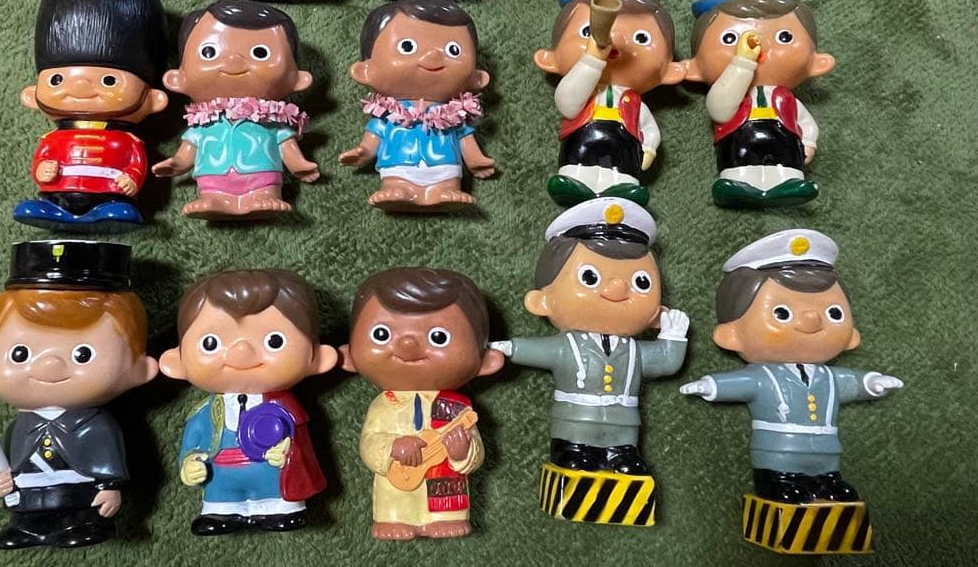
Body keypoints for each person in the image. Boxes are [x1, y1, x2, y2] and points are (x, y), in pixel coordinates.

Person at [681, 229, 903, 504]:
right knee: (783, 484)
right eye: (782, 313)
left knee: (836, 489)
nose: (812, 320)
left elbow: (852, 383)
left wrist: (872, 383)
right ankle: (778, 480)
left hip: (826, 451)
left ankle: (826, 481)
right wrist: (710, 385)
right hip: (778, 452)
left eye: (834, 313)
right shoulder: (763, 376)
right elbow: (742, 383)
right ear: (731, 334)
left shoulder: (829, 377)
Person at [0, 240, 158, 549]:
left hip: (78, 494)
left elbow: (107, 458)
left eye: (83, 354)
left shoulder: (95, 425)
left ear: (139, 368)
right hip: (29, 495)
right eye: (20, 353)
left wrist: (109, 487)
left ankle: (83, 524)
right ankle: (27, 527)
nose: (50, 365)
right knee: (26, 517)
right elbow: (8, 464)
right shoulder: (20, 427)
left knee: (82, 518)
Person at [491, 198, 688, 481]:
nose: (617, 288)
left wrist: (673, 337)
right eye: (590, 277)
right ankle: (571, 450)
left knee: (626, 463)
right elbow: (537, 350)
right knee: (574, 459)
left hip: (623, 428)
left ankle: (620, 454)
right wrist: (507, 347)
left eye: (641, 282)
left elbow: (665, 362)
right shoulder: (566, 347)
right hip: (575, 424)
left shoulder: (634, 351)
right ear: (541, 301)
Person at [159, 269, 337, 536]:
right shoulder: (206, 413)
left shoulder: (288, 412)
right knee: (219, 500)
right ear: (177, 362)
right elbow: (192, 442)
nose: (241, 352)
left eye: (274, 341)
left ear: (317, 357)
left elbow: (299, 444)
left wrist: (287, 454)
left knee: (277, 498)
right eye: (210, 343)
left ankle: (278, 508)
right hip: (221, 478)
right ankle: (221, 511)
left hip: (271, 476)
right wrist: (189, 463)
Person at [341, 268, 503, 540]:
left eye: (438, 337)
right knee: (394, 496)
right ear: (350, 356)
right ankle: (393, 518)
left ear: (486, 360)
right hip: (395, 488)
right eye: (382, 334)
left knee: (446, 496)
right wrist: (393, 447)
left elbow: (476, 453)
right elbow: (369, 442)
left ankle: (445, 517)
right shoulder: (384, 404)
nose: (407, 344)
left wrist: (462, 452)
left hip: (445, 489)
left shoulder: (456, 407)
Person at [13, 0, 168, 229]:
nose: (80, 86)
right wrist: (43, 170)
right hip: (59, 191)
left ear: (153, 99)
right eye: (57, 80)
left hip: (110, 193)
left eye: (109, 80)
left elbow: (135, 163)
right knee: (39, 204)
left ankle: (109, 209)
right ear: (31, 95)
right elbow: (41, 159)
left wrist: (131, 179)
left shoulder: (128, 141)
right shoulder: (52, 140)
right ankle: (54, 208)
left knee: (118, 210)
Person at [153, 0, 318, 219]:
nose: (233, 60)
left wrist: (299, 164)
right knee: (211, 190)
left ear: (297, 78)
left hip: (261, 173)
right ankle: (213, 198)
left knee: (264, 188)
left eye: (260, 53)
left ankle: (263, 195)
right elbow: (189, 148)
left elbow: (285, 142)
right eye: (209, 52)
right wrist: (178, 163)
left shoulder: (271, 121)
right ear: (177, 78)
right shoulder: (203, 123)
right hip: (213, 175)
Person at [534, 0, 685, 206]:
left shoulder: (634, 101)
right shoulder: (583, 87)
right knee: (578, 161)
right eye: (587, 32)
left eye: (641, 38)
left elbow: (649, 128)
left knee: (621, 168)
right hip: (583, 135)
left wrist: (649, 147)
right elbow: (568, 104)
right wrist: (591, 60)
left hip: (622, 140)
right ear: (549, 58)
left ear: (670, 70)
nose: (616, 40)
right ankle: (574, 180)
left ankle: (622, 185)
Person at [685, 0, 835, 207]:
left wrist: (809, 142)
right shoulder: (731, 91)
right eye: (729, 39)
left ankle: (788, 182)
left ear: (816, 62)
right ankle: (738, 184)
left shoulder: (785, 98)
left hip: (783, 138)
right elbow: (720, 111)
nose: (759, 44)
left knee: (786, 163)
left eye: (784, 37)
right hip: (739, 140)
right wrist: (742, 63)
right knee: (739, 162)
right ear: (696, 67)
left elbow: (806, 123)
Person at [339, 0, 495, 210]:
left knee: (447, 181)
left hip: (445, 165)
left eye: (453, 50)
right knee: (397, 182)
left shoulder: (453, 114)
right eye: (407, 47)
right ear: (365, 71)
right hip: (398, 164)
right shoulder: (389, 115)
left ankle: (443, 190)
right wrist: (364, 152)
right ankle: (399, 189)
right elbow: (375, 135)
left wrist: (476, 160)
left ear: (477, 78)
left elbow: (464, 137)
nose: (433, 55)